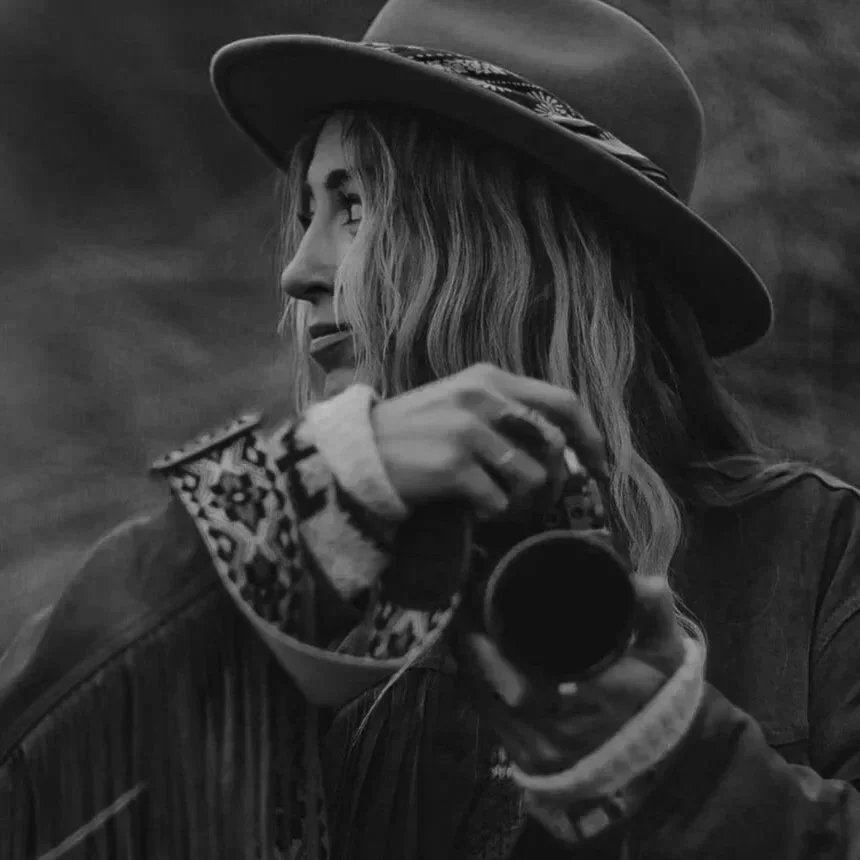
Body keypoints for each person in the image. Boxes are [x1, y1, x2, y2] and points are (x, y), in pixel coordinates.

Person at [2, 0, 860, 857]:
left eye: (355, 206)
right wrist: (300, 506)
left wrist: (672, 759)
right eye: (306, 214)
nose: (300, 272)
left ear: (514, 240)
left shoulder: (814, 556)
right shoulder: (286, 577)